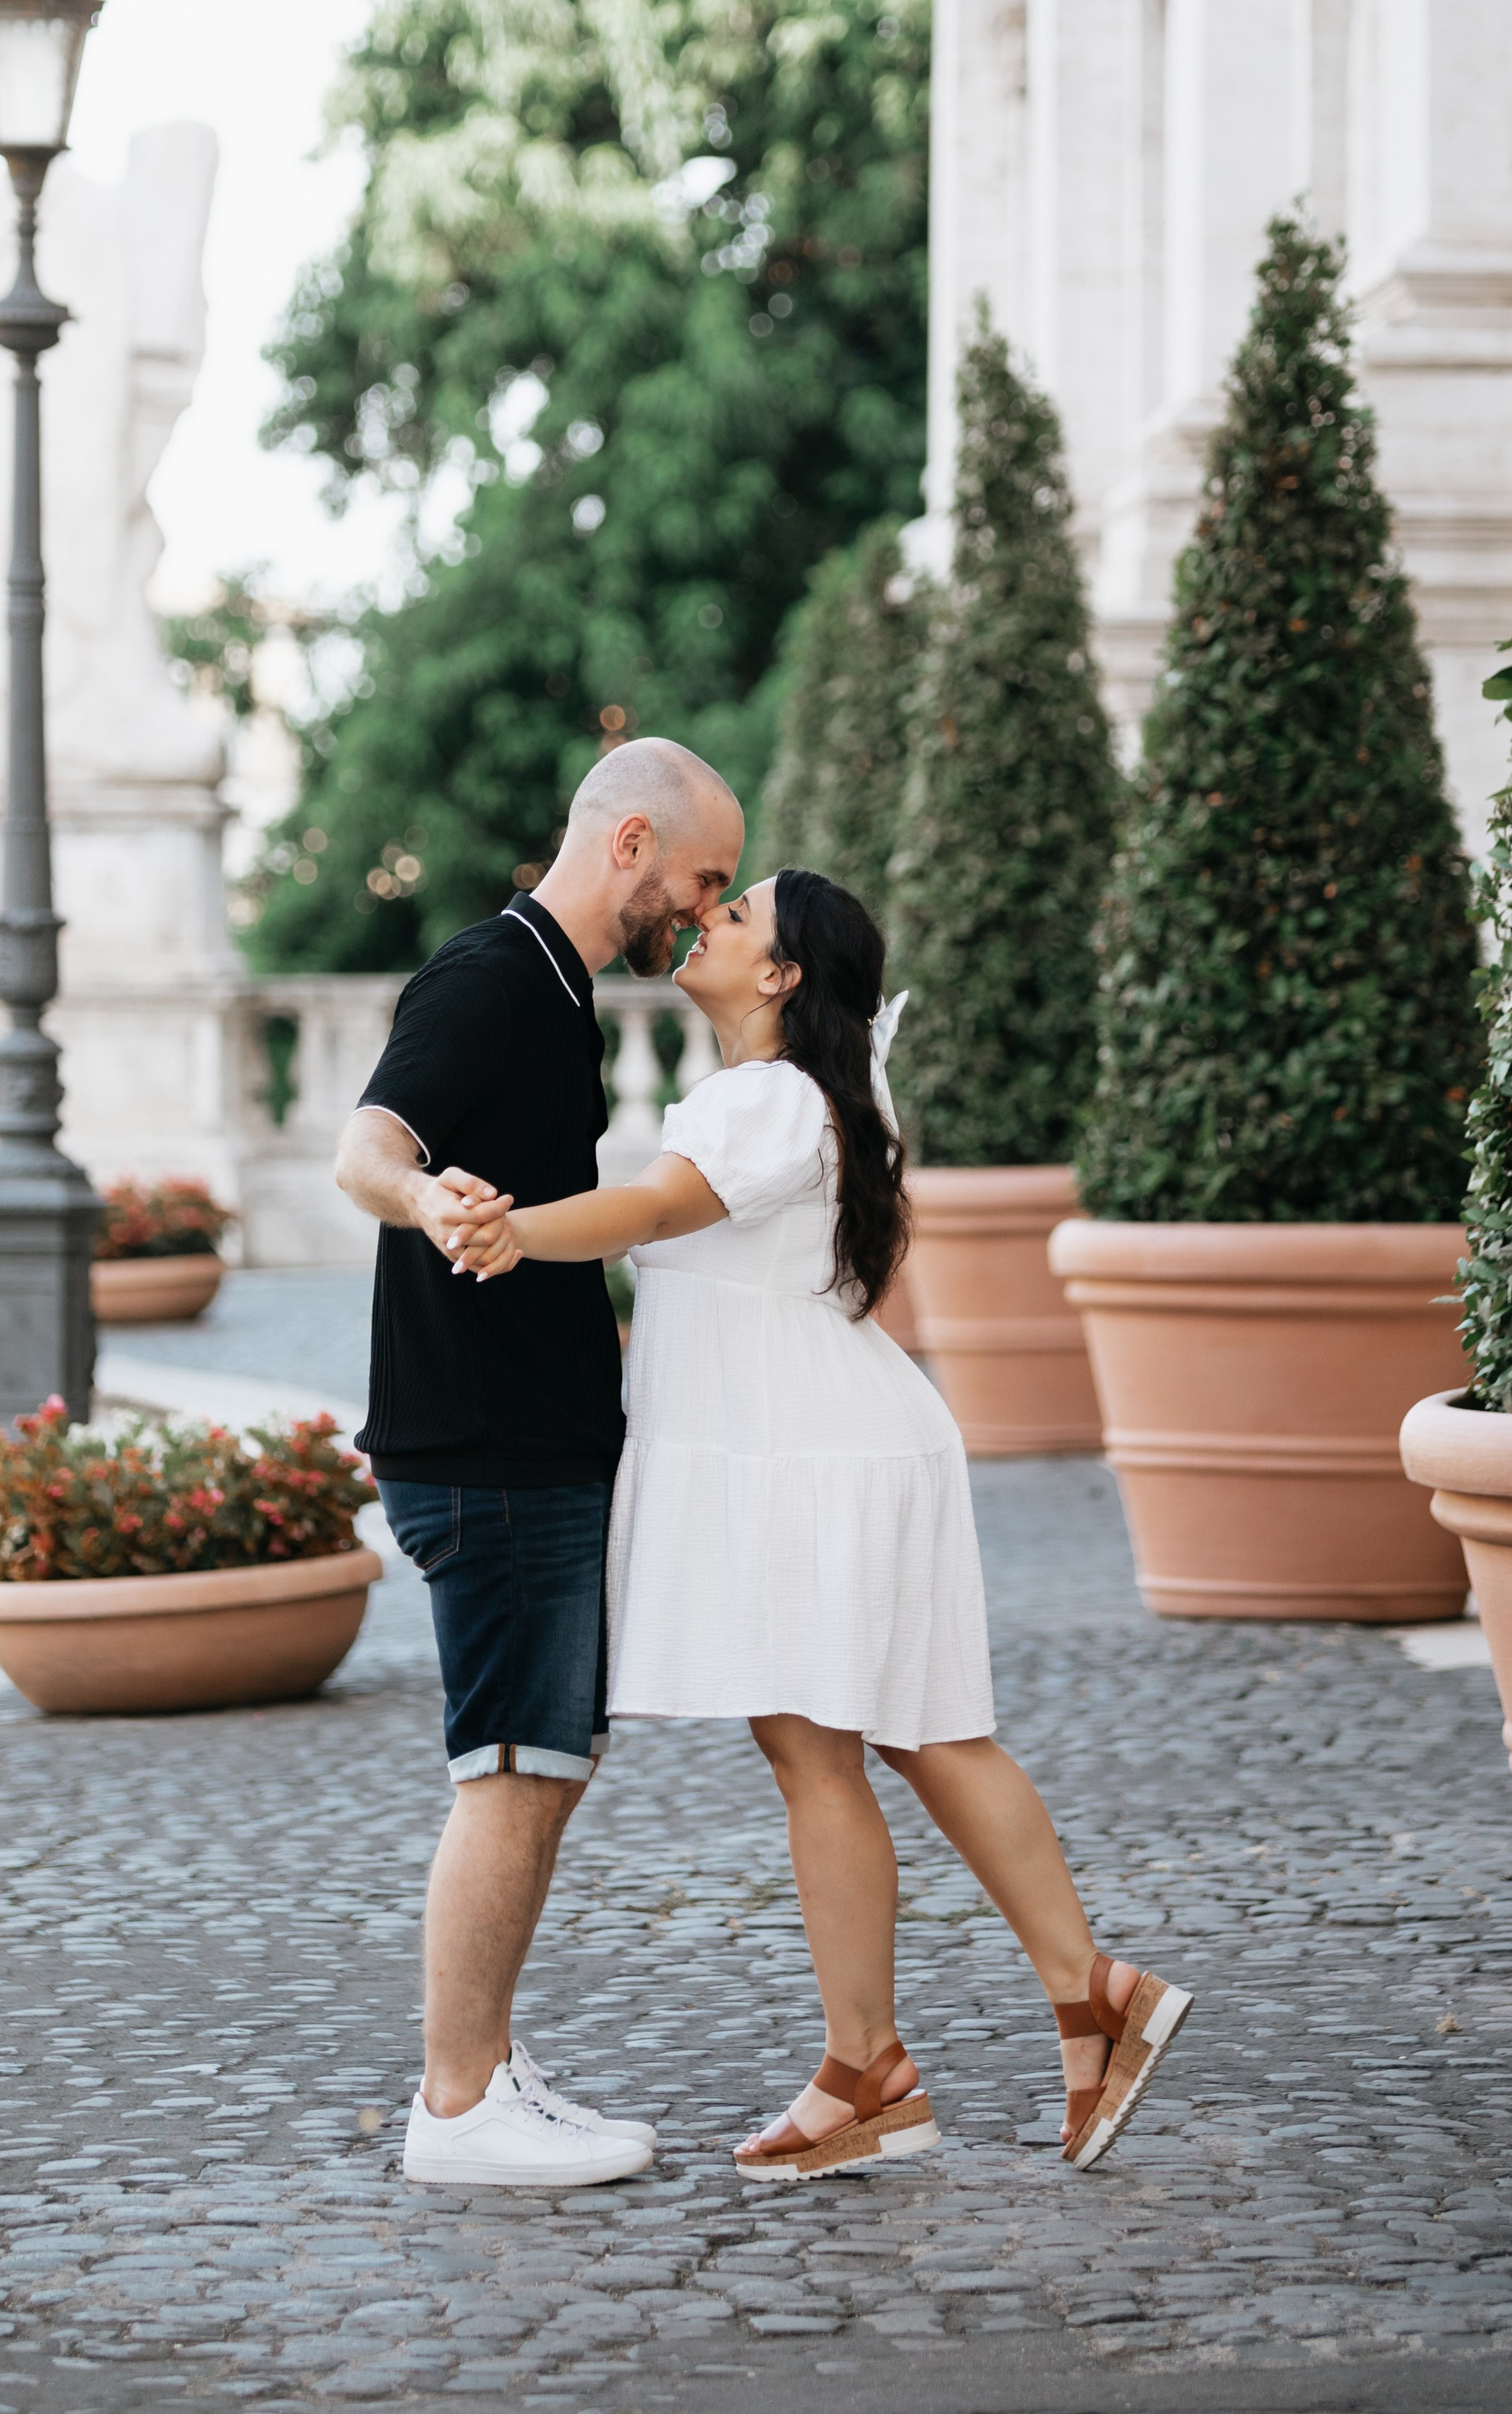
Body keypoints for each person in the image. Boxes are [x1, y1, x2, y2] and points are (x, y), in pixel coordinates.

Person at [451, 867, 1193, 2177]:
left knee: (822, 1757)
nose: (708, 920)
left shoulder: (762, 1098)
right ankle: (1084, 1998)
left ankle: (876, 2069)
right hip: (843, 1437)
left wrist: (514, 1233)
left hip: (808, 1455)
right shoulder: (812, 1099)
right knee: (926, 1737)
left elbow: (652, 1213)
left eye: (737, 917)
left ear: (784, 978)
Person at [334, 736, 745, 2187]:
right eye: (700, 880)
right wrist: (425, 1198)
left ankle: (488, 2063)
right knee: (508, 1767)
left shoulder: (557, 994)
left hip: (532, 1444)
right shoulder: (492, 977)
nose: (704, 912)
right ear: (629, 842)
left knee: (543, 1763)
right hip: (489, 1451)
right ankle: (454, 2108)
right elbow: (362, 1148)